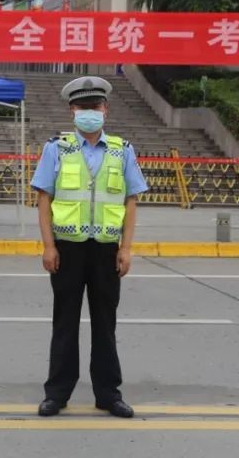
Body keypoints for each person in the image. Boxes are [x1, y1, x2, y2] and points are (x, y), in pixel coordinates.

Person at [30, 76, 148, 419]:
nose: (89, 112)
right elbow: (44, 198)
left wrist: (126, 248)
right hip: (67, 248)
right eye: (82, 107)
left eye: (94, 106)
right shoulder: (56, 148)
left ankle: (108, 394)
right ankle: (57, 393)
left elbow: (131, 200)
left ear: (105, 109)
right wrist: (48, 246)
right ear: (72, 111)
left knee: (104, 324)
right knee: (65, 322)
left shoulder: (122, 150)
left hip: (106, 250)